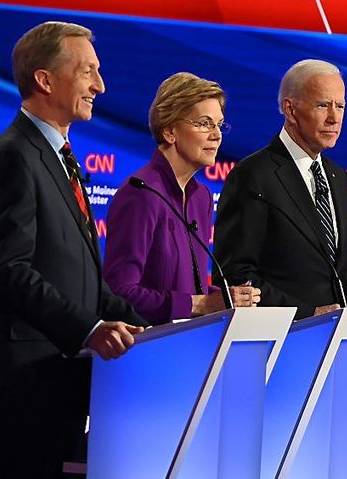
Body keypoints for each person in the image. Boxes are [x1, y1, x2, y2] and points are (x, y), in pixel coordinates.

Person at [0, 21, 146, 478]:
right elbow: (10, 270)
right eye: (88, 72)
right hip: (16, 386)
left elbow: (84, 282)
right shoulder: (14, 156)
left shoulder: (59, 156)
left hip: (55, 382)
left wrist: (164, 329)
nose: (99, 85)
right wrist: (89, 329)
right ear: (45, 79)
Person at [214, 59, 347, 319]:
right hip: (280, 338)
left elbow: (343, 266)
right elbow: (237, 275)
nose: (334, 118)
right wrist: (307, 314)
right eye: (322, 105)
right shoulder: (253, 175)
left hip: (336, 337)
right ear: (291, 109)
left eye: (339, 106)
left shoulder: (337, 177)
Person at [104, 72, 260, 324]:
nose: (216, 135)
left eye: (219, 125)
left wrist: (230, 300)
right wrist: (201, 304)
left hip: (192, 345)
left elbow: (188, 288)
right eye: (204, 123)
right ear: (169, 131)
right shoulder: (141, 193)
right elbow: (119, 293)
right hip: (148, 348)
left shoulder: (202, 197)